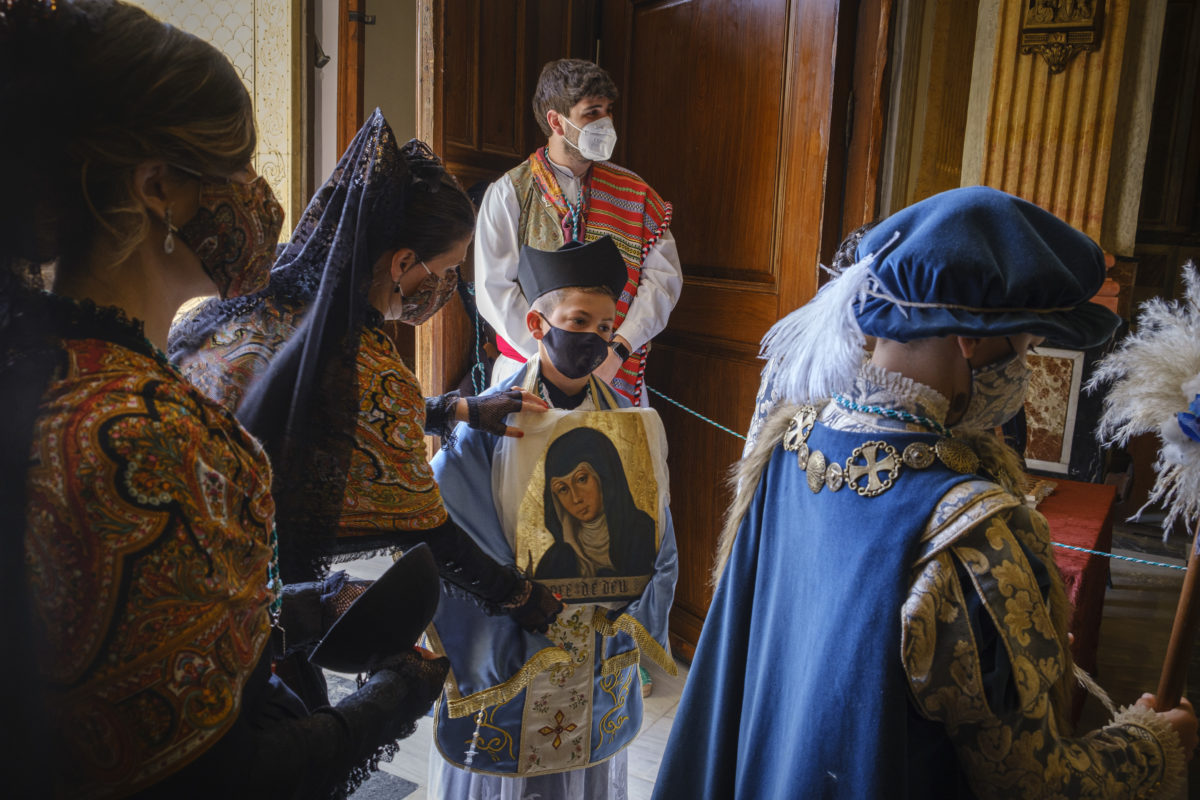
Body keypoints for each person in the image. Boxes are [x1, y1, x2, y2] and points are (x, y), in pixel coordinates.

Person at [0, 2, 447, 797]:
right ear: (159, 189)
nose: (261, 197)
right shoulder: (148, 436)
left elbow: (133, 645)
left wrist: (300, 608)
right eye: (239, 167)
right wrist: (390, 700)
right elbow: (221, 778)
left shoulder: (51, 367)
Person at [653, 186, 1199, 799]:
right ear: (971, 338)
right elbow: (1034, 783)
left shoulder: (789, 446)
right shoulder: (971, 526)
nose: (1024, 368)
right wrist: (1152, 745)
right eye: (1025, 346)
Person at [168, 112, 563, 708]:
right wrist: (520, 597)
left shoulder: (254, 300)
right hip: (248, 613)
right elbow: (432, 537)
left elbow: (318, 417)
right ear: (403, 264)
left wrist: (452, 411)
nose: (449, 286)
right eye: (448, 270)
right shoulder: (365, 362)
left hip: (178, 586)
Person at [425, 237, 679, 799]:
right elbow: (447, 521)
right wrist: (514, 595)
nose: (596, 337)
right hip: (514, 632)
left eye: (607, 325)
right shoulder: (490, 417)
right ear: (539, 325)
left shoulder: (626, 422)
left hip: (593, 640)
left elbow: (656, 530)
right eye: (579, 320)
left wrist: (626, 607)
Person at [474, 58, 681, 405]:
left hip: (613, 371)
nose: (606, 122)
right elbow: (494, 289)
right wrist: (560, 356)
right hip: (529, 370)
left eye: (609, 111)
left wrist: (617, 348)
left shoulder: (636, 193)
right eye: (592, 112)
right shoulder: (510, 192)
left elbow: (663, 281)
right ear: (557, 121)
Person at [537, 426, 657, 578]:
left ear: (604, 476)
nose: (576, 498)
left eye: (581, 479)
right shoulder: (558, 559)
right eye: (563, 489)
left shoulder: (642, 534)